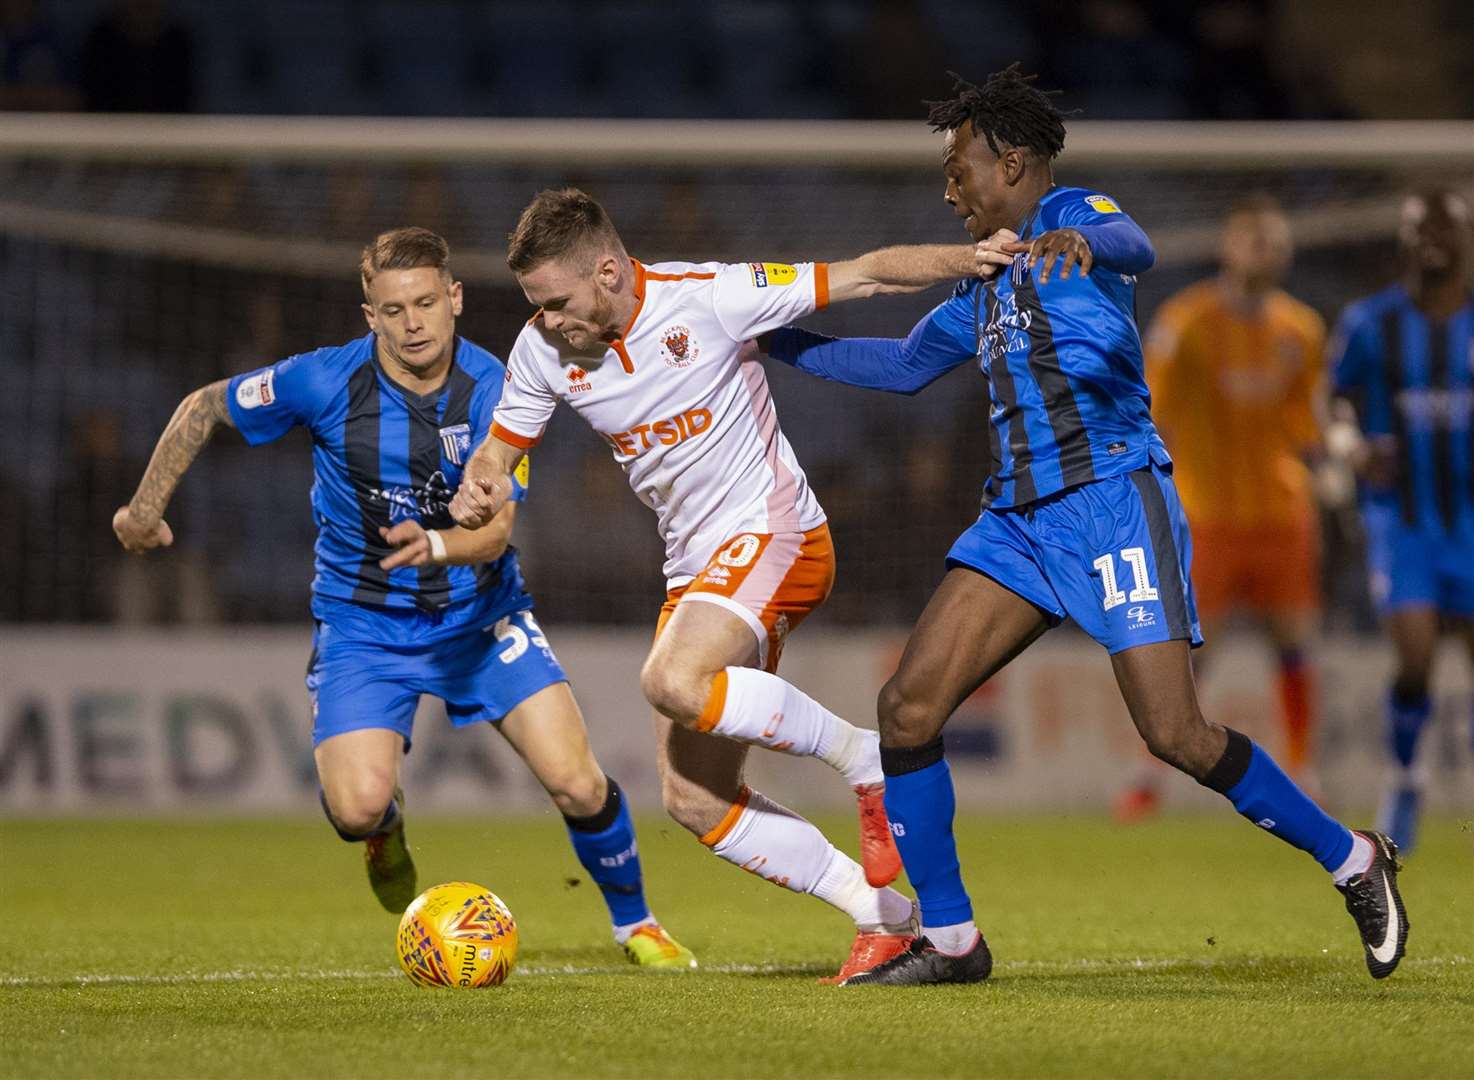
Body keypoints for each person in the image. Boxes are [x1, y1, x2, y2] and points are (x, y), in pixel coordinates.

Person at [761, 67, 1407, 984]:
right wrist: (768, 337)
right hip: (1018, 522)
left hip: (1112, 500)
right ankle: (951, 942)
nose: (949, 189)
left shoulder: (1077, 216)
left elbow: (1131, 242)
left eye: (959, 169)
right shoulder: (983, 284)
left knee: (1176, 733)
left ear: (1011, 162)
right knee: (907, 709)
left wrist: (1077, 236)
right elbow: (903, 367)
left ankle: (1353, 859)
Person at [112, 227, 695, 968]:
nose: (413, 323)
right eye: (394, 309)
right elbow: (204, 407)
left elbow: (496, 532)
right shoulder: (324, 381)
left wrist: (442, 545)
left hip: (481, 617)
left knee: (578, 782)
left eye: (425, 302)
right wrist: (143, 509)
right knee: (355, 809)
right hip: (362, 626)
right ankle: (384, 833)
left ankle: (636, 923)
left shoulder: (498, 388)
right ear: (370, 316)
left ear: (454, 300)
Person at [449, 188, 978, 981]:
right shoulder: (541, 349)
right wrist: (481, 480)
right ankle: (886, 918)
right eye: (536, 304)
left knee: (671, 678)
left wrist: (976, 260)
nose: (549, 319)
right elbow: (499, 448)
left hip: (779, 535)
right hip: (696, 570)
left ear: (607, 269)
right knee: (695, 800)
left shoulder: (708, 298)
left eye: (556, 301)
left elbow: (866, 274)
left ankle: (864, 759)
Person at [1116, 194, 1328, 821]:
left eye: (1277, 241)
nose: (1269, 251)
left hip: (1282, 511)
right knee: (1189, 656)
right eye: (1256, 239)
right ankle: (1146, 775)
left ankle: (1303, 766)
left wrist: (1333, 455)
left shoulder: (1303, 329)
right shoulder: (1187, 321)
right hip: (1206, 513)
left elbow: (1308, 419)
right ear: (1230, 246)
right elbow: (1148, 403)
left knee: (1293, 642)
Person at [1327, 188, 1474, 856]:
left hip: (1470, 518)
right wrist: (1350, 446)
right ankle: (1406, 776)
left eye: (1447, 226)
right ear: (1404, 240)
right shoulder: (1370, 322)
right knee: (1414, 651)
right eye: (1421, 227)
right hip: (1402, 519)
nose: (1434, 238)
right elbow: (1332, 401)